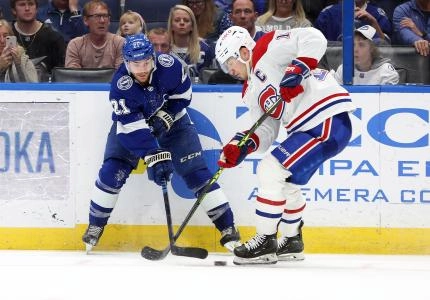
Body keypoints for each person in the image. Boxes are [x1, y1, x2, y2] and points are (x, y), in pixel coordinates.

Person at [81, 33, 241, 252]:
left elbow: (183, 96)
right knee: (112, 172)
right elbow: (133, 129)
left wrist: (165, 116)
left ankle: (228, 228)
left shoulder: (171, 66)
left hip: (175, 123)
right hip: (132, 129)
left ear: (153, 57)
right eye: (136, 64)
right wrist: (155, 156)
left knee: (197, 173)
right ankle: (95, 226)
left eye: (146, 61)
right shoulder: (120, 87)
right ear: (126, 62)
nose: (142, 68)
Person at [214, 26, 355, 265]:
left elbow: (314, 37)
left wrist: (298, 68)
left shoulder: (267, 48)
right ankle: (291, 240)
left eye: (230, 63)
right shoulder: (251, 90)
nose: (230, 70)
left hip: (326, 118)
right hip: (309, 127)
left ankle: (265, 240)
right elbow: (267, 129)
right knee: (285, 181)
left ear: (243, 51)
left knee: (270, 169)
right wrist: (243, 145)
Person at [208, 0, 264, 84]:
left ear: (255, 16)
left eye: (247, 11)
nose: (242, 16)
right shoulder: (223, 44)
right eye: (238, 12)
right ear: (231, 17)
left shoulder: (267, 41)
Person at [11, 0, 66, 81]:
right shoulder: (6, 34)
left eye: (31, 4)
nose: (27, 8)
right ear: (13, 10)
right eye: (22, 5)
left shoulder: (53, 37)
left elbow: (61, 73)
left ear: (36, 9)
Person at [65, 0, 124, 69]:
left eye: (105, 16)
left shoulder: (120, 43)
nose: (102, 21)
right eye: (97, 16)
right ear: (85, 20)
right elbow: (72, 76)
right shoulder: (75, 45)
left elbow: (121, 76)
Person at [332, 25, 399, 84]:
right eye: (353, 44)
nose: (355, 49)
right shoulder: (343, 69)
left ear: (372, 49)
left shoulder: (386, 71)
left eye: (361, 45)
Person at [167, 5, 214, 79]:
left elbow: (209, 78)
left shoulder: (205, 49)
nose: (182, 23)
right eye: (177, 20)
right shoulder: (163, 47)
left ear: (192, 26)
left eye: (186, 20)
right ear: (171, 25)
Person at [315, 0, 392, 43]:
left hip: (369, 67)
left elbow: (387, 48)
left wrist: (373, 22)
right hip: (335, 64)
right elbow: (319, 45)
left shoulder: (378, 14)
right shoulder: (327, 13)